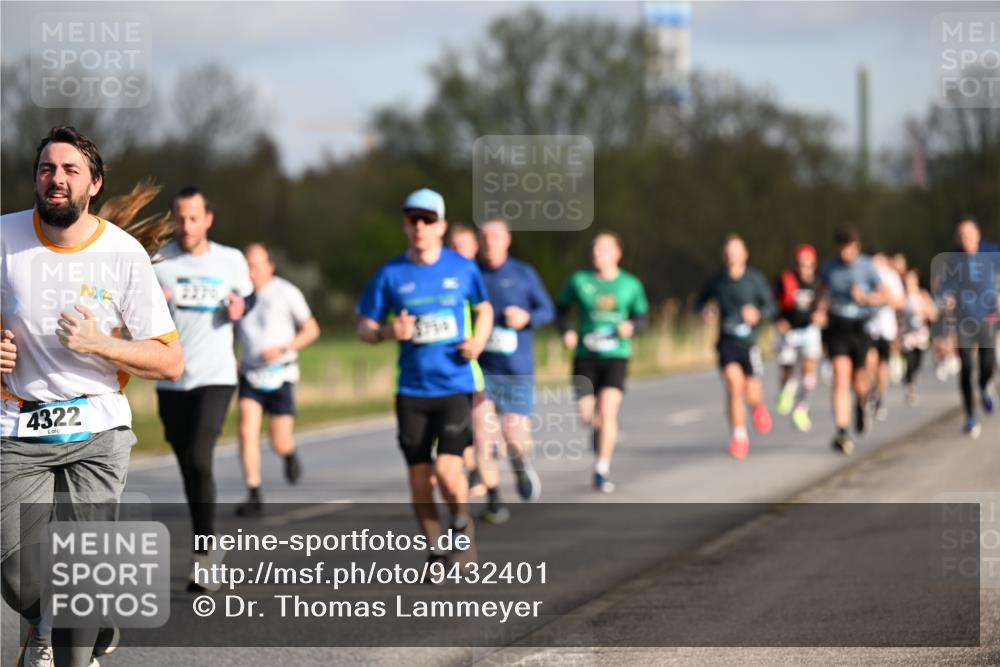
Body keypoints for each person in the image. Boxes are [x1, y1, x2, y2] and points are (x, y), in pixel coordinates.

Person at [1, 126, 183, 667]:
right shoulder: (3, 240)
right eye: (47, 169)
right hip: (17, 426)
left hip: (96, 428)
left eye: (70, 170)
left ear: (94, 184)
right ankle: (46, 619)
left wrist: (100, 343)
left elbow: (170, 361)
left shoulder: (122, 254)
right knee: (15, 573)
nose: (56, 179)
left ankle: (77, 631)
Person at [356, 188, 492, 575]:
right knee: (419, 481)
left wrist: (479, 340)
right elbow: (364, 326)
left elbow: (485, 308)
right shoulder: (391, 273)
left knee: (448, 472)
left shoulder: (462, 268)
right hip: (412, 391)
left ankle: (461, 523)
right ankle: (436, 553)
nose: (419, 226)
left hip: (454, 386)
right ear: (405, 224)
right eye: (412, 218)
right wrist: (386, 332)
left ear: (441, 226)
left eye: (427, 219)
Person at [153, 186, 254, 590]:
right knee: (186, 463)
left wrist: (240, 308)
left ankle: (206, 550)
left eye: (194, 217)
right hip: (172, 377)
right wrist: (153, 303)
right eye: (180, 217)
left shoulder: (230, 260)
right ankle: (206, 540)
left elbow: (250, 299)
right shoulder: (158, 261)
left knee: (199, 457)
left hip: (216, 375)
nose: (187, 225)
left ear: (208, 219)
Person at [474, 219, 554, 522]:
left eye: (495, 237)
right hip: (483, 371)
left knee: (514, 437)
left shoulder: (523, 273)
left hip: (517, 370)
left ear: (507, 240)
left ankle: (520, 464)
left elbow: (547, 310)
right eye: (485, 237)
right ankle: (494, 500)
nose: (490, 242)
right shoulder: (473, 274)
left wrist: (526, 318)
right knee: (483, 434)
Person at [556, 231, 649, 491]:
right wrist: (567, 331)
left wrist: (631, 326)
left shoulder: (630, 284)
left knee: (608, 412)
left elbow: (643, 317)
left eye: (603, 249)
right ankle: (598, 433)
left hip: (616, 356)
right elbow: (560, 309)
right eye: (595, 249)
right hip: (585, 357)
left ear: (617, 254)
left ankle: (601, 469)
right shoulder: (579, 280)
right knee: (588, 416)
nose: (597, 253)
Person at [233, 243, 320, 516]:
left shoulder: (286, 292)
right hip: (250, 373)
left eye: (256, 266)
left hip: (281, 373)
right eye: (246, 265)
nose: (250, 272)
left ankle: (289, 452)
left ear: (270, 267)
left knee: (278, 440)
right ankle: (254, 492)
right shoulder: (238, 296)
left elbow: (311, 329)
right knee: (247, 428)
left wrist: (283, 348)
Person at [696, 234, 776, 459]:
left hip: (749, 344)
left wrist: (758, 314)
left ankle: (757, 406)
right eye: (728, 251)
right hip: (727, 343)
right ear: (724, 255)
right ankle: (739, 437)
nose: (731, 255)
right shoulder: (718, 281)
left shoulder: (754, 280)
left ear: (744, 254)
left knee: (751, 392)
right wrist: (706, 312)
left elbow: (771, 306)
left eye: (735, 251)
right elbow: (700, 302)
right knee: (733, 386)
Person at [816, 226, 890, 455]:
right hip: (838, 327)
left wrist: (866, 298)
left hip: (861, 327)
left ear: (856, 247)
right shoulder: (830, 267)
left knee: (860, 379)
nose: (844, 254)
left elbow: (886, 295)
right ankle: (841, 431)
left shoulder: (867, 267)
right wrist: (819, 309)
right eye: (841, 249)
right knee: (840, 376)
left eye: (849, 249)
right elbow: (821, 292)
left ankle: (861, 404)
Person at [937, 218, 999, 439]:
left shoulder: (992, 252)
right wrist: (946, 298)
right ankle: (970, 416)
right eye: (962, 236)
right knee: (965, 365)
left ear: (978, 234)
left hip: (988, 317)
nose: (966, 240)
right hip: (964, 319)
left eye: (969, 235)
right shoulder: (953, 259)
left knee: (987, 362)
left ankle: (984, 387)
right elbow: (945, 286)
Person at [446, 224, 487, 498]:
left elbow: (487, 311)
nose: (460, 252)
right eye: (455, 247)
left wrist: (479, 342)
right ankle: (473, 476)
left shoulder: (479, 279)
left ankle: (491, 491)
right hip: (450, 369)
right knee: (457, 439)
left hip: (481, 366)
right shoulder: (442, 280)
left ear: (475, 248)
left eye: (466, 246)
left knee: (482, 431)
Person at [773, 244, 823, 432]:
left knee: (809, 370)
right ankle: (787, 389)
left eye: (808, 264)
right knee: (788, 370)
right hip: (789, 331)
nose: (804, 268)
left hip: (809, 330)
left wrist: (821, 314)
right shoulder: (785, 281)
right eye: (801, 264)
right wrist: (778, 320)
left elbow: (824, 303)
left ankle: (802, 409)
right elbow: (771, 303)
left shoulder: (818, 283)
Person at [865, 251, 906, 422]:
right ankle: (871, 390)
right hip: (868, 326)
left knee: (883, 365)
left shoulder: (891, 276)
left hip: (887, 328)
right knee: (869, 361)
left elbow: (901, 300)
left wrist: (886, 300)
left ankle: (880, 397)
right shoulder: (864, 274)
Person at [900, 269, 937, 406]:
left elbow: (933, 314)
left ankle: (911, 381)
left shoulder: (922, 295)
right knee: (910, 361)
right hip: (907, 336)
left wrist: (924, 312)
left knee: (918, 363)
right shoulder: (901, 296)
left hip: (921, 335)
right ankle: (909, 384)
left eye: (912, 279)